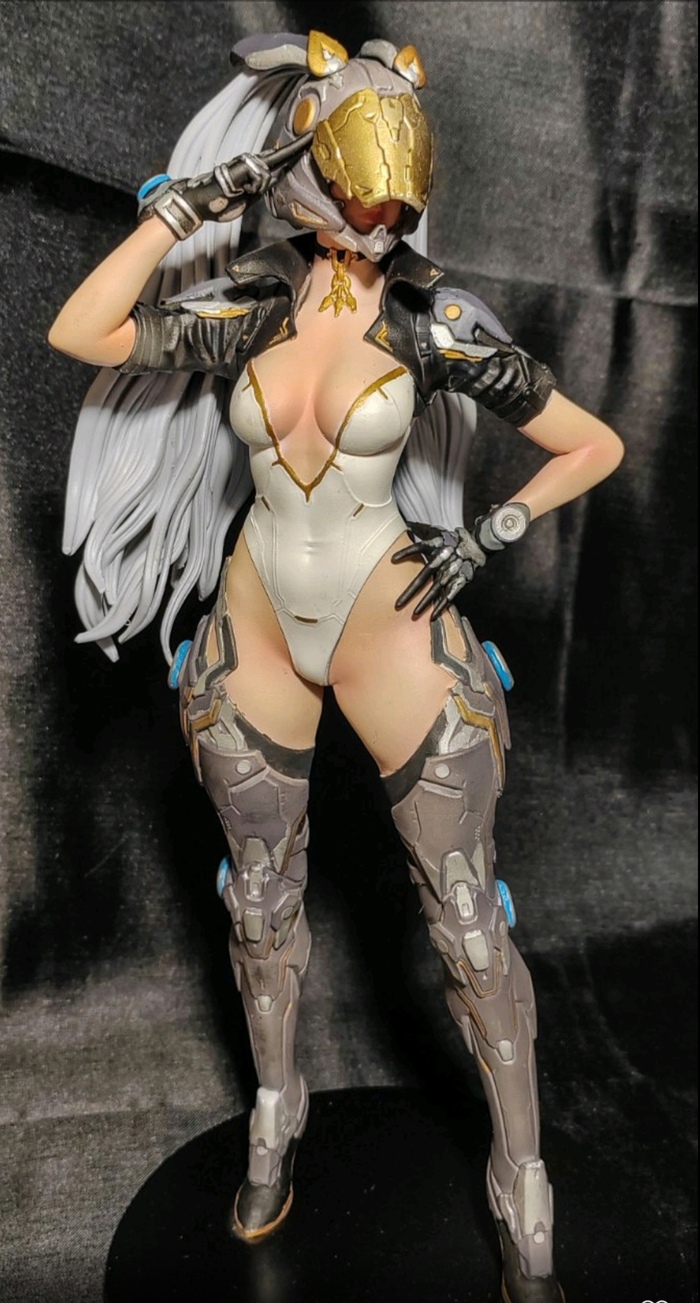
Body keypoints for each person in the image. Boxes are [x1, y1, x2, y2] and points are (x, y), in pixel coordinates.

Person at [48, 31, 623, 1303]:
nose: (374, 225)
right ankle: (275, 1108)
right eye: (356, 197)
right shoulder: (251, 299)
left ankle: (520, 1178)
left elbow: (591, 443)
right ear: (305, 170)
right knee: (258, 903)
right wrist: (193, 206)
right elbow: (81, 330)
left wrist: (489, 531)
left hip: (389, 626)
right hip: (256, 625)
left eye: (392, 205)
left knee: (466, 919)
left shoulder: (434, 319)